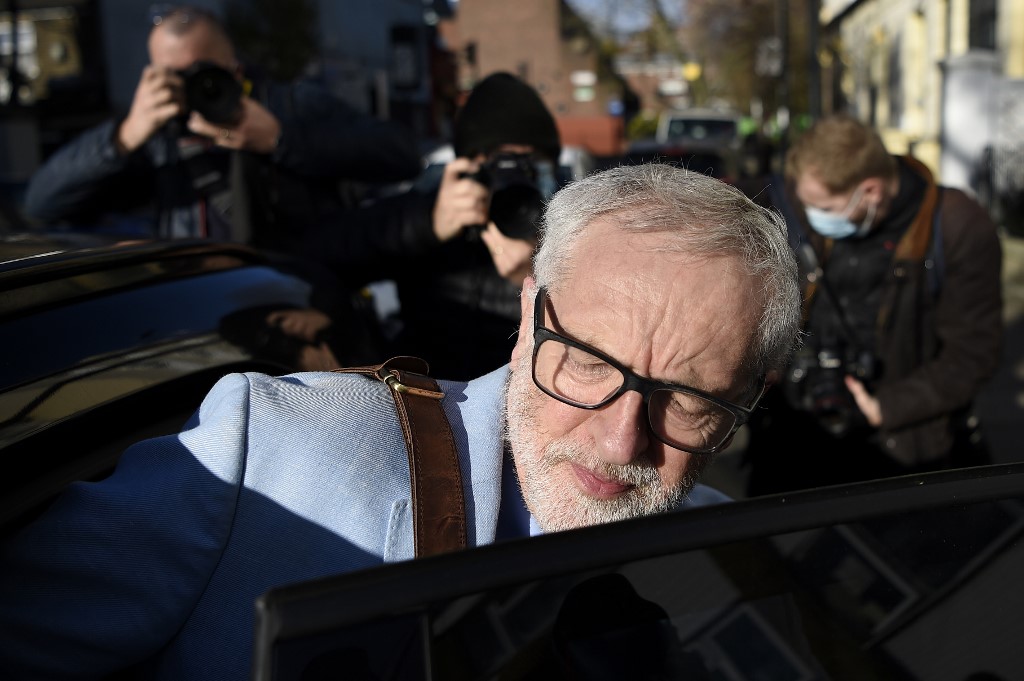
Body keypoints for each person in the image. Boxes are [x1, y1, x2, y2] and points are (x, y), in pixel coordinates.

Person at [0, 163, 802, 680]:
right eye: (589, 360)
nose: (621, 438)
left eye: (689, 400)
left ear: (747, 402)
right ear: (527, 318)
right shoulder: (271, 453)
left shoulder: (729, 558)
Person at [737, 114, 1003, 495]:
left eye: (823, 207)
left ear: (872, 191)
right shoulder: (808, 200)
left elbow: (974, 353)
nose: (811, 214)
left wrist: (886, 408)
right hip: (790, 437)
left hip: (899, 453)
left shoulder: (957, 225)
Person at [21, 4, 421, 255]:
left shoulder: (290, 105)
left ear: (235, 68)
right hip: (206, 309)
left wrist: (281, 140)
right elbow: (41, 205)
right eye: (175, 77)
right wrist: (124, 136)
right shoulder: (159, 140)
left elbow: (403, 156)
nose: (196, 89)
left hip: (304, 302)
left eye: (205, 75)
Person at [299, 71, 565, 380]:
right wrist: (427, 223)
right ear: (467, 164)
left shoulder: (570, 225)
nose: (512, 178)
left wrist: (538, 283)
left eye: (528, 164)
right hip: (424, 396)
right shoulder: (431, 212)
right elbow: (315, 257)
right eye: (497, 163)